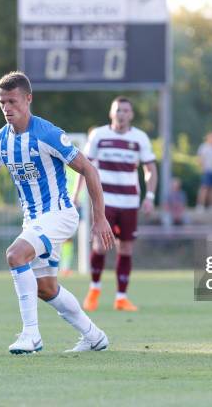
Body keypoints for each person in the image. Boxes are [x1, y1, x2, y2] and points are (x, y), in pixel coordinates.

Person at [0, 71, 115, 354]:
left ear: (28, 99)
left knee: (14, 254)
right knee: (46, 288)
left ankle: (31, 335)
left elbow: (89, 170)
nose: (7, 108)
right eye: (2, 103)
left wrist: (100, 218)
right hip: (33, 219)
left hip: (59, 214)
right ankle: (94, 336)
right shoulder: (0, 140)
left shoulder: (48, 134)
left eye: (12, 101)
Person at [73, 96, 158, 312]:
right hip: (104, 200)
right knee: (100, 245)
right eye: (118, 110)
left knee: (126, 247)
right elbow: (85, 167)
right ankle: (94, 289)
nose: (122, 114)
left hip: (129, 201)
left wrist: (149, 197)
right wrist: (76, 196)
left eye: (126, 110)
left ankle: (121, 297)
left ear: (131, 114)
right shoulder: (99, 135)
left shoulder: (140, 138)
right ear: (112, 113)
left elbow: (150, 169)